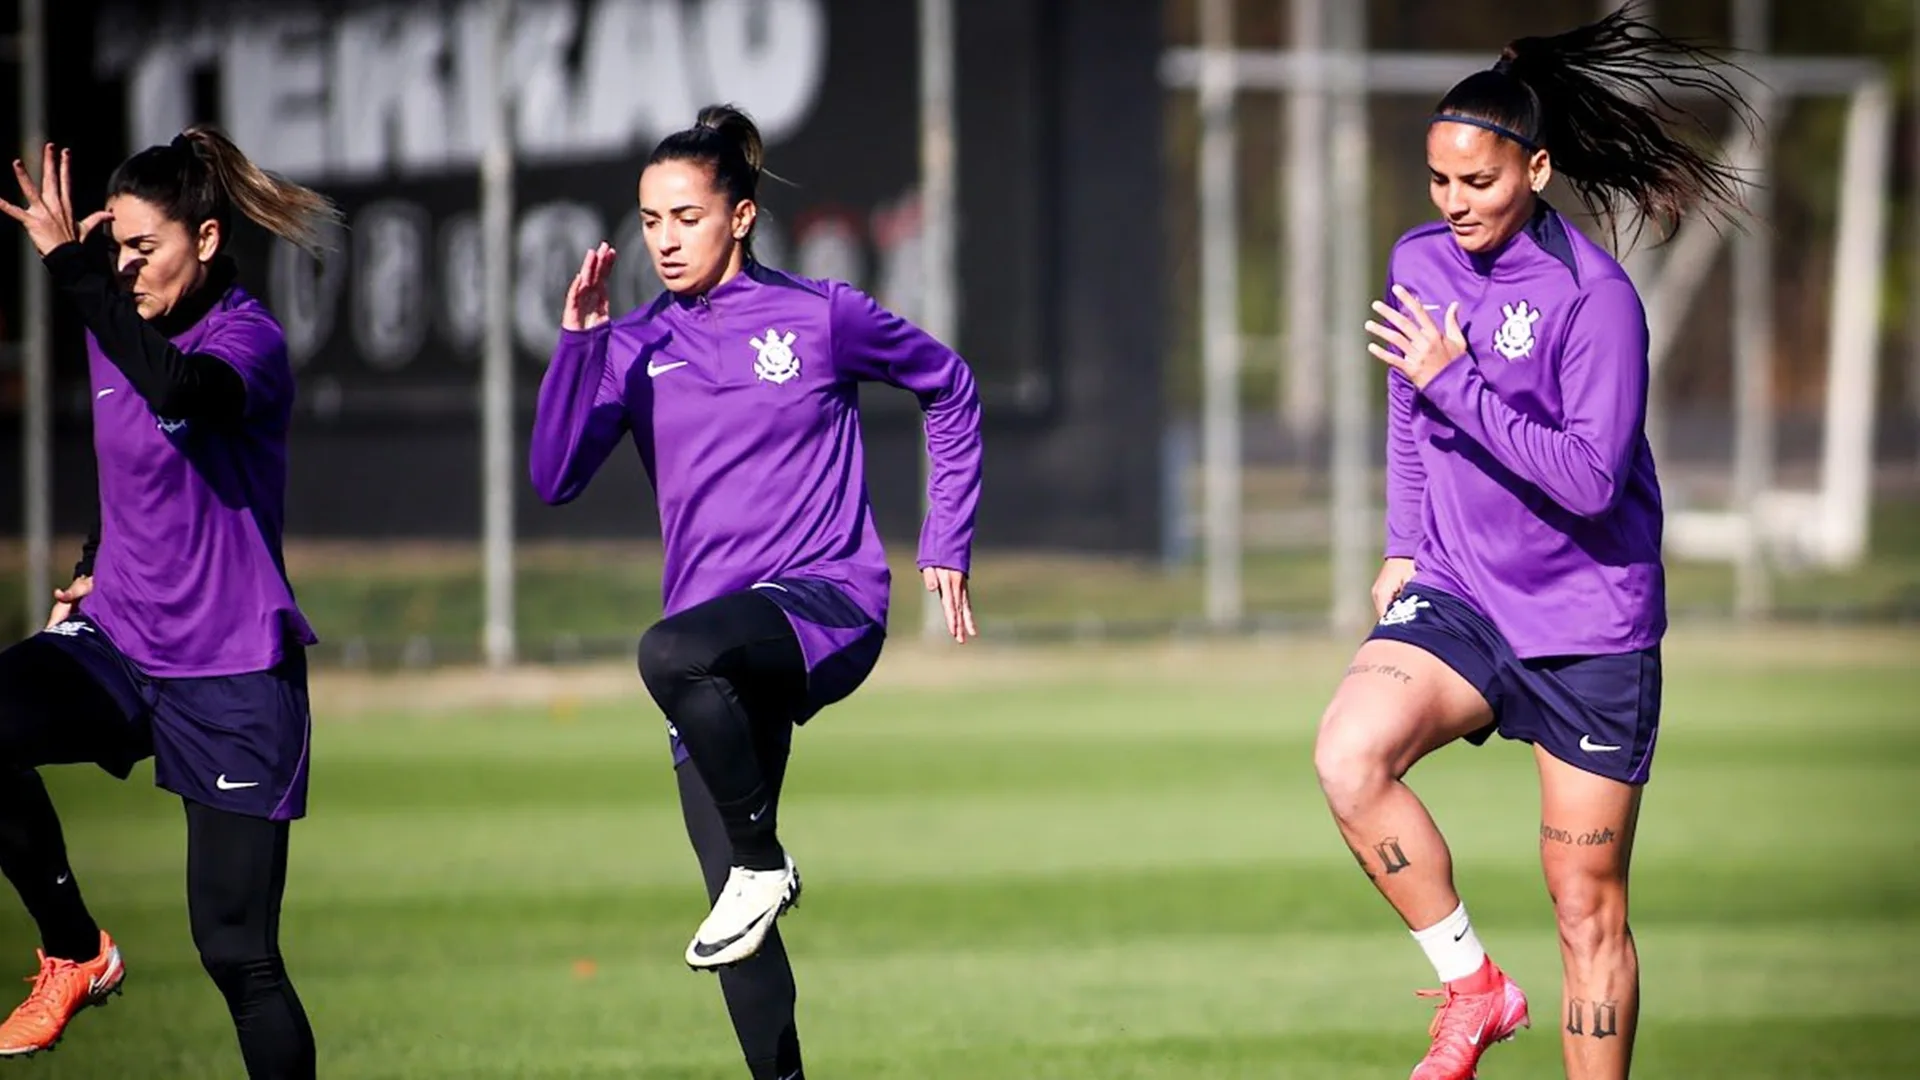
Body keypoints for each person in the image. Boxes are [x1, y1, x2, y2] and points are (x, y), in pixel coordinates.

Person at [1312, 9, 1750, 1080]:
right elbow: (1409, 414)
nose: (1455, 204)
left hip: (1585, 623)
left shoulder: (1594, 302)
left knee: (1585, 909)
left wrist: (1451, 379)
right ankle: (1473, 987)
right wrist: (1405, 542)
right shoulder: (1421, 254)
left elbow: (1591, 481)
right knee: (1348, 754)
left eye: (1480, 181)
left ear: (1538, 168)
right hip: (1459, 591)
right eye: (1438, 180)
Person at [529, 104, 983, 1080]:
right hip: (718, 648)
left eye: (685, 217)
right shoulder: (634, 343)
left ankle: (763, 863)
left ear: (738, 217)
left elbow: (948, 384)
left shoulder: (819, 314)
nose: (664, 240)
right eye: (650, 222)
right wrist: (577, 346)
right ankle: (762, 915)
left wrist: (946, 534)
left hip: (826, 604)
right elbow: (554, 475)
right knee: (732, 905)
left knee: (665, 654)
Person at [0, 129, 339, 1077]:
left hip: (232, 671)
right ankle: (73, 950)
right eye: (117, 249)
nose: (126, 268)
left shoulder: (248, 342)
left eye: (144, 249)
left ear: (209, 239)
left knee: (238, 956)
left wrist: (75, 270)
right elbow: (139, 475)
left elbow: (180, 393)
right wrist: (98, 560)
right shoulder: (113, 316)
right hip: (120, 642)